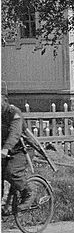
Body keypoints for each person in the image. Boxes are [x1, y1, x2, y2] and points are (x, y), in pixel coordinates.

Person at [2, 85, 33, 216]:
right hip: (5, 152)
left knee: (12, 172)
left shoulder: (14, 113)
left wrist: (5, 149)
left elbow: (15, 133)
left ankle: (28, 194)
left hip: (22, 150)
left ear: (4, 99)